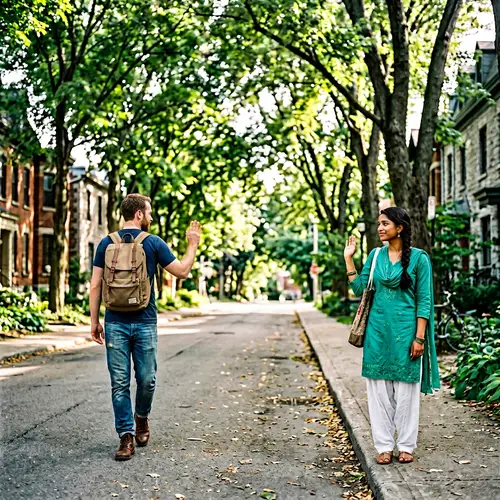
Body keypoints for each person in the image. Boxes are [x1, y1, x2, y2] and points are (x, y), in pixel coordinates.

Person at [89, 193, 201, 461]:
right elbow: (183, 271)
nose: (150, 217)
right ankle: (126, 434)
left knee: (128, 382)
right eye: (149, 212)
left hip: (121, 321)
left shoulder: (106, 243)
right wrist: (193, 244)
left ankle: (140, 418)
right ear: (139, 214)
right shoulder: (153, 243)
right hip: (134, 323)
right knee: (144, 379)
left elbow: (94, 284)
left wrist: (94, 320)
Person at [344, 207, 439, 465]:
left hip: (406, 333)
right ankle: (384, 445)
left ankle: (406, 445)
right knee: (378, 394)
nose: (380, 228)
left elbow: (425, 300)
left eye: (385, 223)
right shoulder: (375, 256)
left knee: (407, 392)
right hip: (377, 333)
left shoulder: (419, 259)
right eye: (378, 224)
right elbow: (359, 288)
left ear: (401, 227)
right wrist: (349, 259)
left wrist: (419, 337)